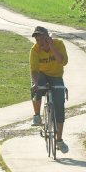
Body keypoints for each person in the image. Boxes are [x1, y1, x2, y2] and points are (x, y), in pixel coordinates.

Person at [29, 25, 69, 153]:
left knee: (59, 106)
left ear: (48, 37)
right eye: (37, 40)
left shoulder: (58, 44)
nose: (40, 42)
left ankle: (59, 140)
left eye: (42, 39)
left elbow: (62, 61)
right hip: (41, 75)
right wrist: (35, 83)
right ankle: (36, 116)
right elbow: (34, 71)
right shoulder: (34, 50)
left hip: (56, 76)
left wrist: (51, 46)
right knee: (37, 87)